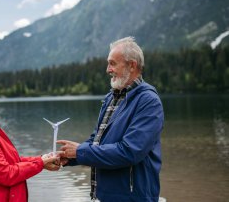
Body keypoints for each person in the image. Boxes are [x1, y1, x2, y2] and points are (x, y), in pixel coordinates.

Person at [57, 37, 164, 202]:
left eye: (113, 63)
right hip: (106, 196)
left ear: (132, 65)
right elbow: (96, 141)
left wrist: (80, 151)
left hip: (133, 198)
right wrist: (70, 157)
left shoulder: (148, 101)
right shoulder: (111, 97)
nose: (108, 69)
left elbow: (130, 152)